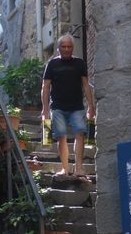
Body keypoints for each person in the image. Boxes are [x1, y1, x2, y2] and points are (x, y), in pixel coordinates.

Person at [41, 33, 95, 180]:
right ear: (58, 48)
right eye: (63, 47)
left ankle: (79, 168)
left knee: (80, 134)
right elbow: (45, 87)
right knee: (61, 136)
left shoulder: (79, 63)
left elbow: (86, 85)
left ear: (72, 48)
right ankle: (64, 169)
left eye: (69, 47)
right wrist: (45, 109)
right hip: (57, 106)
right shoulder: (52, 64)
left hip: (76, 106)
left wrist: (91, 105)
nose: (66, 49)